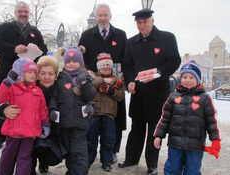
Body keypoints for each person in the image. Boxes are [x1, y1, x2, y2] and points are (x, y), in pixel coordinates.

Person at [119, 8, 181, 175]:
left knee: (155, 130)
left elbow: (175, 60)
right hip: (138, 92)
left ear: (152, 21)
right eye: (139, 22)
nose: (142, 25)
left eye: (145, 21)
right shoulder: (131, 42)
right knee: (137, 127)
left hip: (158, 92)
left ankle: (152, 165)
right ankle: (131, 159)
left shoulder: (167, 38)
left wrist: (160, 72)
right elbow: (127, 65)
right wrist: (130, 80)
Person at [0, 1, 47, 149]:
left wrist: (37, 50)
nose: (23, 14)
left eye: (25, 12)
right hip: (8, 73)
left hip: (28, 77)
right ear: (15, 13)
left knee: (23, 105)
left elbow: (44, 49)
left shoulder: (35, 31)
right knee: (2, 101)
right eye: (20, 11)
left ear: (29, 14)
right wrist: (14, 48)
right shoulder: (5, 28)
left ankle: (23, 131)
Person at [78, 3, 127, 163]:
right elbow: (81, 58)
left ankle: (112, 151)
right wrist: (89, 74)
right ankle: (89, 152)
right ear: (96, 17)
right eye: (100, 15)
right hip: (93, 84)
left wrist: (119, 79)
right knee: (92, 121)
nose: (103, 18)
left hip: (114, 84)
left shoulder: (120, 35)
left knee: (116, 119)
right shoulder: (86, 35)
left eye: (105, 15)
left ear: (110, 16)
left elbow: (125, 59)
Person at [154, 60, 221, 175]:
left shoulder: (204, 99)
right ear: (180, 78)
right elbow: (165, 119)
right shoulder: (173, 97)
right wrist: (159, 135)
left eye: (192, 77)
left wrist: (215, 140)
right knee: (172, 168)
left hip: (195, 145)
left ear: (198, 80)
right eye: (185, 77)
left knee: (192, 171)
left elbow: (211, 121)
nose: (188, 80)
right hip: (175, 143)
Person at [0, 57, 50, 175]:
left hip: (30, 131)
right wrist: (7, 82)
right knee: (8, 155)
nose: (33, 75)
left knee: (25, 157)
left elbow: (43, 109)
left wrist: (45, 123)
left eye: (34, 72)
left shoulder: (37, 91)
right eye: (29, 72)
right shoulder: (12, 88)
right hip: (14, 130)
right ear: (20, 73)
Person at [48, 46, 97, 175]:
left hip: (79, 122)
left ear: (80, 62)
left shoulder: (85, 77)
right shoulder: (60, 79)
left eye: (74, 61)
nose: (71, 64)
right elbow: (54, 97)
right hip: (63, 122)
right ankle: (72, 171)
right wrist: (52, 109)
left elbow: (91, 96)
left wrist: (84, 83)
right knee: (69, 150)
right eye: (68, 61)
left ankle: (79, 172)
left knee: (79, 151)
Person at [87, 52, 125, 172]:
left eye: (109, 69)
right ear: (99, 68)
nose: (107, 71)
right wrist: (103, 81)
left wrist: (111, 91)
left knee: (108, 139)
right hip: (95, 113)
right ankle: (88, 159)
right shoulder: (93, 77)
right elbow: (90, 87)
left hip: (109, 115)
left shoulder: (116, 80)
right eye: (104, 69)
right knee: (91, 138)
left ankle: (106, 161)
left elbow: (120, 95)